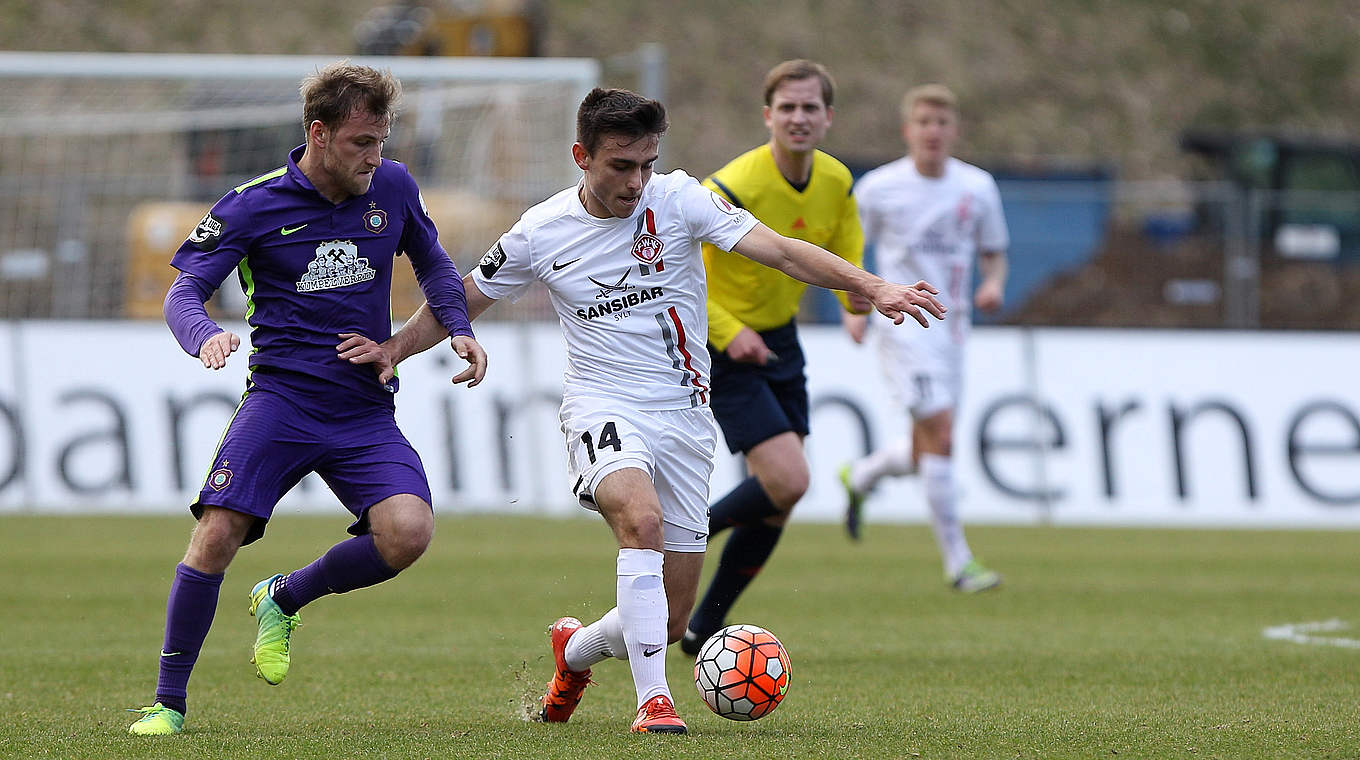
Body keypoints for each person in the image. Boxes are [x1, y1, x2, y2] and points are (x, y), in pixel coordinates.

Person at [348, 87, 945, 735]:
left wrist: (873, 284)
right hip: (602, 405)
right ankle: (654, 702)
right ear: (582, 156)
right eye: (620, 166)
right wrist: (393, 350)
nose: (636, 181)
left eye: (647, 164)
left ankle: (573, 653)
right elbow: (462, 297)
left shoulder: (682, 199)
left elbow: (780, 250)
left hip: (686, 416)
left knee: (669, 620)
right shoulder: (541, 231)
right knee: (641, 519)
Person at [127, 62, 487, 737]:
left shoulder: (396, 187)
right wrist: (203, 334)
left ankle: (285, 597)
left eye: (381, 141)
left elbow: (435, 264)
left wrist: (459, 330)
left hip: (362, 407)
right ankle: (167, 705)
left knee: (409, 533)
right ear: (319, 134)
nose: (375, 158)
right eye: (361, 143)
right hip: (281, 401)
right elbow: (184, 292)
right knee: (216, 536)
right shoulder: (252, 204)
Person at [680, 59, 868, 656]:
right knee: (789, 479)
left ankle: (704, 626)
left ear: (828, 117)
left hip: (780, 339)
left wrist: (859, 300)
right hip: (722, 343)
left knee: (780, 501)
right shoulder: (728, 187)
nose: (798, 117)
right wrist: (728, 329)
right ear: (767, 116)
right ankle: (688, 534)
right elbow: (680, 273)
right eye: (787, 107)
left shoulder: (836, 180)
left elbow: (844, 245)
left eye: (810, 107)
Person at [838, 83, 1009, 593]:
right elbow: (849, 248)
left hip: (954, 332)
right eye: (924, 122)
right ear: (907, 130)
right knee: (943, 435)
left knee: (925, 448)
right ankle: (960, 563)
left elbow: (994, 250)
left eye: (942, 123)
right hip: (904, 327)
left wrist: (995, 284)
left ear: (954, 131)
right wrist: (854, 307)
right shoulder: (878, 188)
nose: (933, 132)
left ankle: (864, 475)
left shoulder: (977, 187)